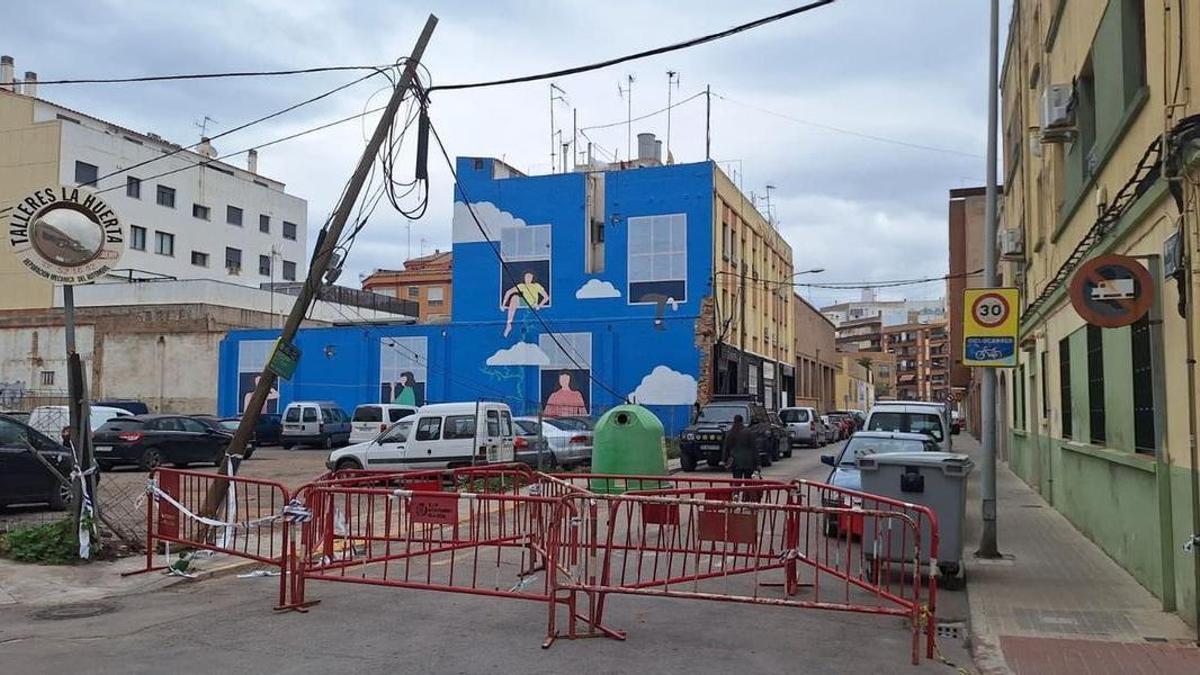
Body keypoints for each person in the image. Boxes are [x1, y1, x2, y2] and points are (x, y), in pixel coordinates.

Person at [501, 270, 549, 337]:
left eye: (529, 277)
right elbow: (508, 292)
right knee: (514, 297)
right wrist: (503, 304)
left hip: (533, 303)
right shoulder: (522, 286)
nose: (527, 278)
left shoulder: (536, 286)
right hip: (524, 302)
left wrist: (539, 305)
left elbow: (546, 297)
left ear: (532, 278)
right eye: (526, 277)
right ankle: (509, 323)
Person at [721, 414, 759, 480]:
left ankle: (736, 490)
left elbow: (726, 449)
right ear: (742, 421)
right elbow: (754, 449)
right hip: (748, 461)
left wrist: (724, 460)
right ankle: (746, 490)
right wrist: (757, 463)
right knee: (748, 482)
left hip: (735, 461)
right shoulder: (748, 432)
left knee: (737, 482)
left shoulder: (730, 433)